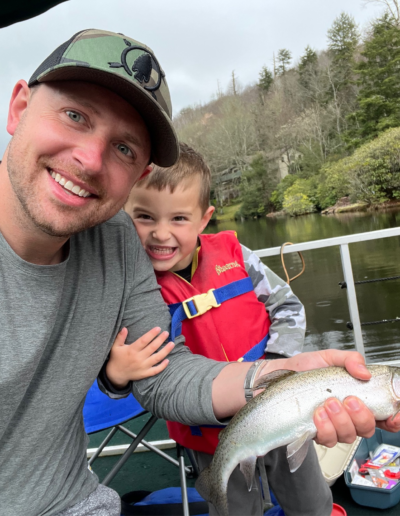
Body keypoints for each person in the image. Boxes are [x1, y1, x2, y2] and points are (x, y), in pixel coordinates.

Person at [0, 28, 396, 516]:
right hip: (202, 440)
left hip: (79, 500)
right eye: (74, 115)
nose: (90, 158)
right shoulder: (125, 238)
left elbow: (164, 374)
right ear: (18, 107)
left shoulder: (118, 239)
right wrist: (115, 378)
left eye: (125, 148)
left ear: (141, 173)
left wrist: (281, 373)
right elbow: (123, 377)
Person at [121, 142, 327, 515]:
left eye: (178, 218)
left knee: (311, 503)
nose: (161, 234)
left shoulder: (238, 257)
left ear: (204, 218)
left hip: (283, 414)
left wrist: (275, 368)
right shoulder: (131, 289)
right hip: (209, 436)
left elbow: (287, 307)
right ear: (124, 212)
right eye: (145, 217)